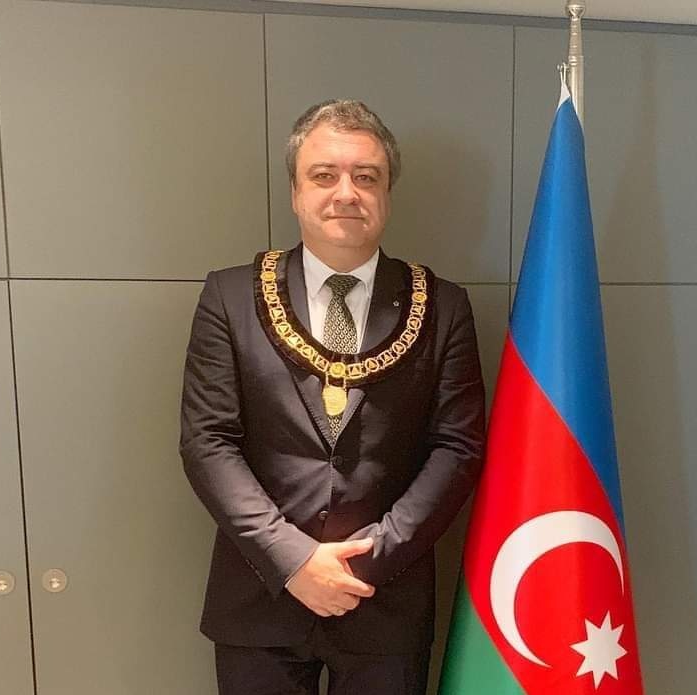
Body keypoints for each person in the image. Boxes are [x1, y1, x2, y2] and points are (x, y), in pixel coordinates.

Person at [179, 99, 486, 695]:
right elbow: (207, 443)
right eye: (324, 175)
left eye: (366, 176)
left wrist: (367, 560)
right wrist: (293, 559)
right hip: (259, 598)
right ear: (295, 192)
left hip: (385, 601)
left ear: (387, 193)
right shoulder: (231, 296)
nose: (346, 192)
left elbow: (457, 447)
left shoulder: (443, 306)